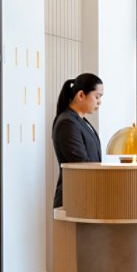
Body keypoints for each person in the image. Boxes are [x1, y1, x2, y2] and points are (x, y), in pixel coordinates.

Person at [51, 73, 104, 208]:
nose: (99, 101)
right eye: (97, 96)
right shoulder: (67, 123)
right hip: (73, 198)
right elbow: (80, 163)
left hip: (86, 196)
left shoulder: (81, 121)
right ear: (81, 95)